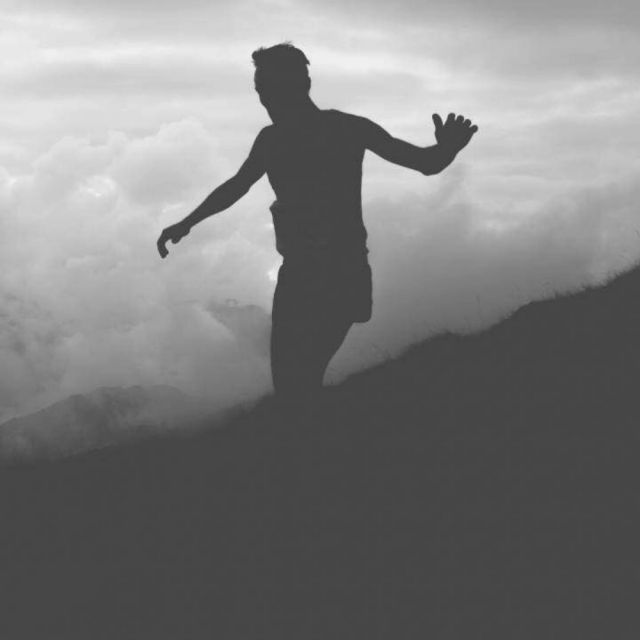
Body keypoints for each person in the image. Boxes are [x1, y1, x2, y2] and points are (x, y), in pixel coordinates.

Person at [157, 42, 478, 409]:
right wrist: (186, 223)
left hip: (337, 273)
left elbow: (425, 162)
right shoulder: (279, 138)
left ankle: (328, 438)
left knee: (298, 384)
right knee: (294, 385)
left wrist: (448, 149)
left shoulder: (337, 130)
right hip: (304, 274)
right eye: (259, 88)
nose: (262, 97)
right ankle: (320, 437)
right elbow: (236, 186)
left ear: (300, 85)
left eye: (268, 88)